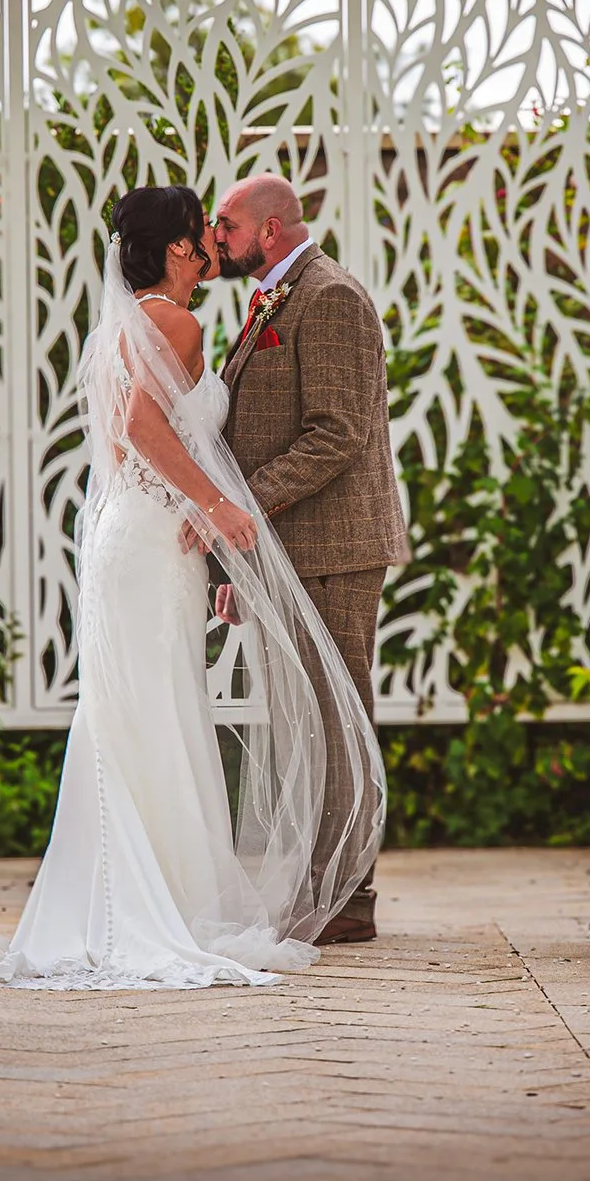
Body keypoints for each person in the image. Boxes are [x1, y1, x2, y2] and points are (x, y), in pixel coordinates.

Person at [0, 185, 386, 990]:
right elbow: (142, 429)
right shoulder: (176, 320)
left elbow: (320, 428)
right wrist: (222, 508)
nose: (213, 242)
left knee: (135, 714)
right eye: (204, 231)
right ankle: (164, 901)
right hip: (161, 538)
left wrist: (226, 523)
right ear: (177, 248)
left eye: (223, 228)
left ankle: (124, 896)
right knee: (157, 712)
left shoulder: (154, 320)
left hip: (146, 536)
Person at [210, 174, 409, 943]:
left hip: (332, 549)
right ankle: (323, 887)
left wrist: (242, 506)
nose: (213, 237)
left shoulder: (329, 298)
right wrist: (241, 563)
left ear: (268, 230)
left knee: (336, 721)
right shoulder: (273, 298)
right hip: (287, 550)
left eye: (224, 223)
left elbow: (338, 431)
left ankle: (349, 900)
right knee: (308, 725)